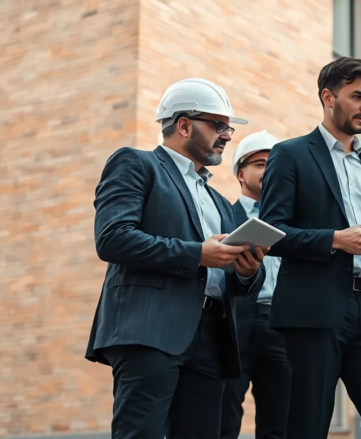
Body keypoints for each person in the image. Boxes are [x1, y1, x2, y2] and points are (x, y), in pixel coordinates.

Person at [85, 78, 267, 439]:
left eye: (228, 128)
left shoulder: (218, 201)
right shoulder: (136, 164)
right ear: (183, 125)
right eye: (218, 125)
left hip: (212, 338)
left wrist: (247, 273)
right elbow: (112, 238)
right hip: (150, 329)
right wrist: (198, 253)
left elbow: (235, 278)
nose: (227, 135)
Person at [259, 56, 361, 439]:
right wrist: (335, 240)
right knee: (308, 424)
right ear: (328, 97)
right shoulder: (290, 155)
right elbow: (270, 233)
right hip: (315, 308)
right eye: (357, 96)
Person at [220, 130, 291, 439]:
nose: (269, 171)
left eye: (274, 165)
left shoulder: (294, 222)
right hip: (235, 328)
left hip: (283, 328)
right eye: (261, 164)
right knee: (224, 417)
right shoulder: (224, 215)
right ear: (240, 173)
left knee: (280, 423)